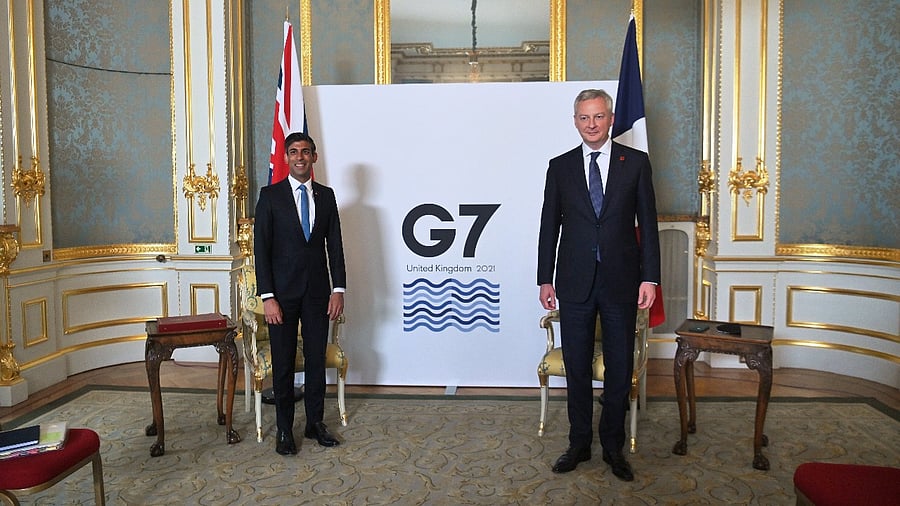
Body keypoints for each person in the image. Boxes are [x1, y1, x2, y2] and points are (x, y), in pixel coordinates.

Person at [536, 89, 660, 481]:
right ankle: (578, 442)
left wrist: (650, 277)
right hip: (573, 282)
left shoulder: (636, 163)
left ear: (610, 119)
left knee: (620, 367)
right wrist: (544, 278)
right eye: (584, 118)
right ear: (575, 121)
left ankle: (613, 447)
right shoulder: (560, 167)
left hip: (622, 282)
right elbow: (548, 227)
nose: (592, 124)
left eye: (599, 117)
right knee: (576, 365)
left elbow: (649, 226)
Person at [254, 131, 347, 455]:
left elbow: (334, 246)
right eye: (293, 152)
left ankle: (314, 424)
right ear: (285, 157)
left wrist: (338, 290)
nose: (299, 157)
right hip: (281, 296)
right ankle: (284, 429)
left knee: (315, 362)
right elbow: (261, 251)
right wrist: (267, 296)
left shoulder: (326, 195)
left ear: (314, 157)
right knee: (282, 364)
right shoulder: (270, 196)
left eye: (305, 152)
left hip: (318, 294)